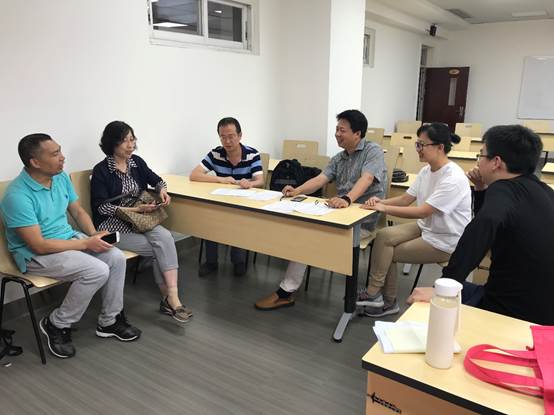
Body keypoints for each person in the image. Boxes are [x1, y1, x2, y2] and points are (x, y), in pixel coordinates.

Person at [0, 133, 141, 359]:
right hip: (35, 254)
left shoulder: (60, 178)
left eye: (60, 151)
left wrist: (93, 234)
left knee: (115, 257)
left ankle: (109, 321)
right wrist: (85, 243)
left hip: (68, 239)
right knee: (97, 270)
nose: (62, 157)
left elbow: (77, 211)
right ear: (35, 162)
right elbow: (39, 245)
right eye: (55, 154)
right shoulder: (17, 196)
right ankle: (57, 323)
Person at [409, 125, 554, 325]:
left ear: (496, 162)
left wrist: (444, 288)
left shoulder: (502, 190)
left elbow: (483, 225)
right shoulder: (544, 191)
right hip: (543, 309)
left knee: (424, 301)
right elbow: (495, 219)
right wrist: (480, 188)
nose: (479, 161)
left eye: (481, 155)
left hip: (510, 312)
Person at [254, 109, 387, 310]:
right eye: (336, 129)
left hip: (362, 218)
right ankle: (287, 290)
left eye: (342, 130)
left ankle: (285, 292)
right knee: (304, 230)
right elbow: (320, 179)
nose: (337, 134)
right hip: (338, 212)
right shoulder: (339, 158)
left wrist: (347, 199)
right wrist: (297, 190)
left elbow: (367, 178)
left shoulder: (372, 150)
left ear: (357, 134)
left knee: (308, 236)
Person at [357, 122, 472, 318]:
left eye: (421, 145)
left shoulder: (453, 178)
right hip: (427, 228)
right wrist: (380, 201)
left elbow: (423, 211)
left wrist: (384, 208)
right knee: (383, 236)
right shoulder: (426, 171)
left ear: (440, 147)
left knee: (388, 253)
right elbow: (405, 199)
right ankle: (376, 295)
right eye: (417, 144)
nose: (417, 149)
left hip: (446, 240)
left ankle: (385, 300)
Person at [91, 121, 192, 323]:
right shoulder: (101, 170)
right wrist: (135, 210)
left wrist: (162, 191)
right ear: (112, 143)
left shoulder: (136, 162)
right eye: (124, 141)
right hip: (111, 228)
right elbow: (101, 208)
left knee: (165, 237)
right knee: (160, 247)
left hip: (140, 221)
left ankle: (172, 297)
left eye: (132, 139)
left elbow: (157, 180)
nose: (130, 145)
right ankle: (168, 299)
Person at [190, 117, 264, 277]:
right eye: (223, 137)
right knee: (210, 219)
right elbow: (194, 175)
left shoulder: (252, 154)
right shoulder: (216, 153)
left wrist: (250, 183)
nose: (227, 141)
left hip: (243, 203)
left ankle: (238, 261)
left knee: (238, 221)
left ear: (240, 135)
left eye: (231, 136)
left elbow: (260, 180)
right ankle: (211, 262)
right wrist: (220, 179)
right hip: (221, 201)